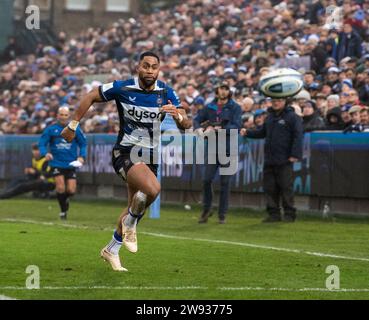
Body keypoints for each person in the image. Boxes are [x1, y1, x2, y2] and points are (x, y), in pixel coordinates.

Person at [61, 51, 192, 272]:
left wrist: (178, 116)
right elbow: (91, 96)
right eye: (146, 66)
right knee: (152, 189)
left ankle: (111, 249)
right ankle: (130, 225)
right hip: (126, 152)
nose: (150, 70)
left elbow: (186, 124)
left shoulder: (167, 93)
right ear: (138, 68)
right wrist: (73, 125)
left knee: (135, 205)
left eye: (154, 67)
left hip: (150, 158)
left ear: (159, 70)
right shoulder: (123, 88)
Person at [241, 98, 303, 223]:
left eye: (279, 100)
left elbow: (298, 135)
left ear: (285, 101)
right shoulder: (269, 117)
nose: (276, 103)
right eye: (274, 100)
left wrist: (294, 154)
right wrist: (248, 132)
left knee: (286, 187)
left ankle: (289, 214)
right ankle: (274, 214)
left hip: (285, 158)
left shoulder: (292, 117)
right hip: (269, 158)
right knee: (270, 188)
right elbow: (262, 132)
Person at [194, 80, 242, 224]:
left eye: (226, 88)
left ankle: (222, 214)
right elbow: (197, 119)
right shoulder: (210, 106)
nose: (223, 91)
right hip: (212, 148)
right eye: (221, 88)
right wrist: (200, 129)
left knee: (225, 183)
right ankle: (206, 209)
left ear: (229, 91)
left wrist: (220, 129)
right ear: (217, 90)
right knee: (206, 180)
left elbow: (237, 126)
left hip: (228, 148)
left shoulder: (235, 107)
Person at [39, 106, 87, 220]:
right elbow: (41, 143)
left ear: (69, 116)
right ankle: (63, 211)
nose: (63, 117)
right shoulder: (51, 129)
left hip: (71, 163)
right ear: (57, 115)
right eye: (61, 114)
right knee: (60, 187)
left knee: (71, 190)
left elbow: (83, 144)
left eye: (66, 115)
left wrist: (82, 157)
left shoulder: (75, 128)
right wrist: (45, 153)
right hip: (56, 163)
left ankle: (65, 199)